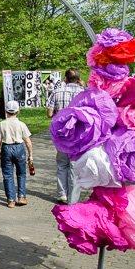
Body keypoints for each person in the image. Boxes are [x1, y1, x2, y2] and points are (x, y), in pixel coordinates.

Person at [47, 68, 86, 204]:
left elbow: (49, 113)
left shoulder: (56, 92)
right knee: (74, 165)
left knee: (62, 164)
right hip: (78, 134)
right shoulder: (84, 93)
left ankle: (62, 194)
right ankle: (73, 197)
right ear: (79, 79)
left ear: (65, 79)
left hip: (61, 134)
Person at [0, 100, 34, 208]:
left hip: (6, 148)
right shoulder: (21, 124)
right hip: (19, 148)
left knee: (7, 175)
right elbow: (28, 142)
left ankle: (11, 200)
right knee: (21, 174)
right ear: (18, 111)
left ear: (6, 111)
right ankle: (21, 196)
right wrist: (30, 155)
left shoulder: (1, 124)